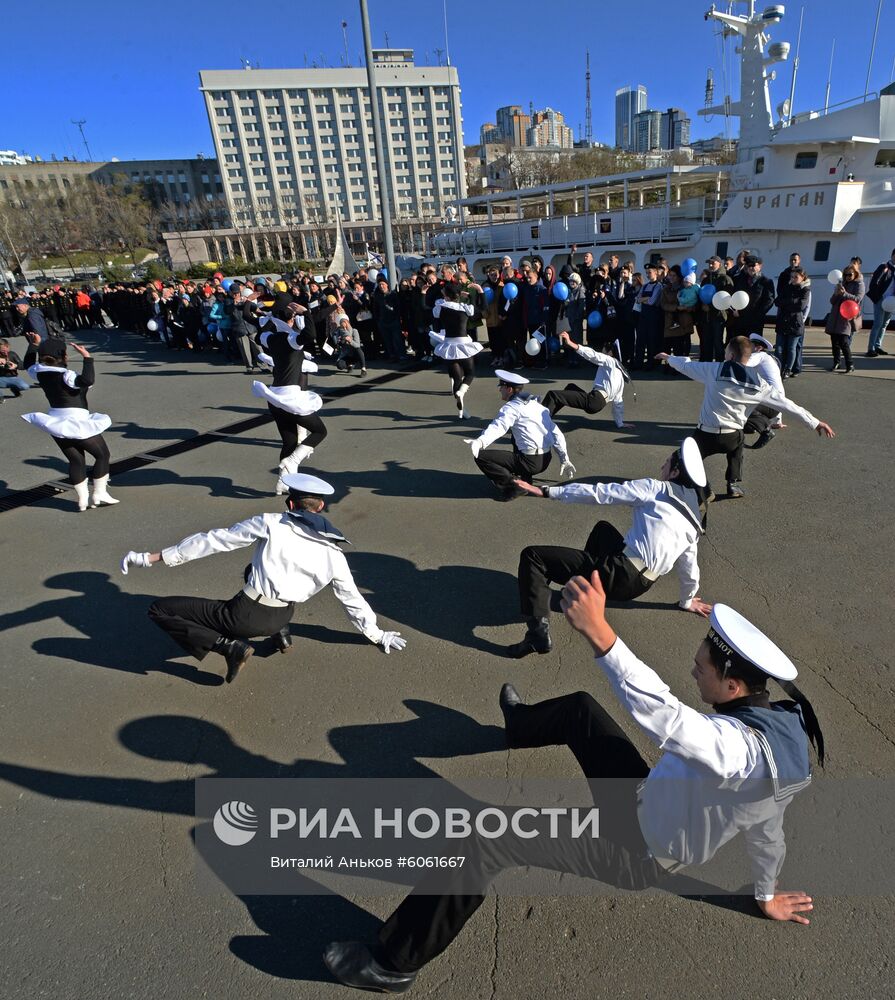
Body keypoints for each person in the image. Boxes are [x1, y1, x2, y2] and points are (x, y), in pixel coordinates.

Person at [324, 583, 823, 993]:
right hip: (645, 797)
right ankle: (520, 725)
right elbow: (767, 825)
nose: (693, 671)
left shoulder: (738, 750)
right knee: (580, 710)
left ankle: (394, 963)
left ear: (733, 686)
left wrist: (601, 633)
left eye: (700, 670)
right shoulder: (776, 723)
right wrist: (765, 892)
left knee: (484, 836)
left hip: (636, 850)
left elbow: (669, 721)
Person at [121, 473, 407, 684]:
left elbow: (216, 540)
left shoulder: (271, 522)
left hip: (244, 616)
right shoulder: (334, 552)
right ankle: (280, 636)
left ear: (289, 503)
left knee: (159, 608)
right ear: (319, 507)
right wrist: (377, 634)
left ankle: (229, 647)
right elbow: (351, 598)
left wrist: (154, 557)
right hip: (284, 614)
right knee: (256, 570)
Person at [506, 437, 712, 656]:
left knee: (533, 556)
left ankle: (536, 633)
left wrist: (547, 491)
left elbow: (601, 493)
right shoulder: (694, 520)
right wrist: (687, 601)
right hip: (640, 585)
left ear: (674, 473)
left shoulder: (656, 488)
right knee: (602, 531)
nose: (662, 466)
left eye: (667, 463)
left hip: (619, 571)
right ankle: (583, 592)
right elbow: (690, 567)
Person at [656, 336, 836, 499]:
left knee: (683, 457)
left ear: (731, 355)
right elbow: (787, 405)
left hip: (705, 434)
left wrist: (669, 358)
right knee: (739, 441)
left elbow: (686, 366)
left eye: (726, 350)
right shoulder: (760, 384)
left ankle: (702, 490)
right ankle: (733, 484)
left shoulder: (714, 369)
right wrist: (815, 422)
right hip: (731, 437)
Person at [20, 343, 117, 512]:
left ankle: (82, 499)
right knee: (102, 455)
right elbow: (87, 380)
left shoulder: (39, 372)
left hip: (56, 422)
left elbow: (27, 365)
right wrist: (87, 357)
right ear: (64, 356)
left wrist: (33, 345)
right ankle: (99, 494)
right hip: (77, 421)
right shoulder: (67, 375)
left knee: (76, 460)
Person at [250, 305, 327, 495]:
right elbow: (309, 335)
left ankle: (283, 483)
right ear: (291, 319)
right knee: (320, 431)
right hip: (289, 396)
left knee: (290, 441)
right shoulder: (291, 339)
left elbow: (261, 335)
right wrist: (306, 312)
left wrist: (270, 319)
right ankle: (293, 462)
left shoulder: (271, 338)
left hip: (273, 396)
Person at [465, 370, 573, 502]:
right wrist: (564, 458)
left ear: (509, 389)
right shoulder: (537, 406)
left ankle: (515, 486)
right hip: (545, 459)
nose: (500, 390)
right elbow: (556, 433)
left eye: (501, 387)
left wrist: (480, 442)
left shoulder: (511, 408)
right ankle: (526, 479)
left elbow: (498, 427)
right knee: (516, 437)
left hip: (529, 461)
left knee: (481, 457)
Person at [542, 331, 632, 429]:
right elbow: (618, 402)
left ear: (610, 353)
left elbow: (593, 355)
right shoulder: (620, 373)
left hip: (594, 400)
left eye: (603, 349)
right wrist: (620, 423)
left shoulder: (609, 360)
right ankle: (548, 416)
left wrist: (571, 344)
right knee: (570, 387)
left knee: (553, 395)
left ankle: (537, 420)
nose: (602, 351)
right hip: (598, 403)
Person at [429, 282, 481, 418]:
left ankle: (462, 411)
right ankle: (462, 393)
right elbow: (474, 309)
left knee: (456, 377)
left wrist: (446, 296)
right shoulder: (464, 307)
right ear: (458, 295)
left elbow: (435, 307)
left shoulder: (441, 307)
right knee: (470, 373)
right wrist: (468, 297)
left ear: (446, 295)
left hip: (449, 344)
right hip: (463, 343)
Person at [743, 334, 785, 450]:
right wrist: (778, 420)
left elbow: (742, 363)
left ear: (758, 348)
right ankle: (751, 426)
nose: (746, 348)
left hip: (772, 403)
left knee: (742, 403)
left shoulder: (759, 356)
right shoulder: (771, 358)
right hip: (776, 403)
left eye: (749, 346)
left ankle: (766, 431)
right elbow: (777, 388)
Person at [825, 264, 864, 374]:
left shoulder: (859, 284)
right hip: (836, 315)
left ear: (855, 274)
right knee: (834, 342)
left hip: (847, 316)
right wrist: (837, 294)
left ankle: (849, 364)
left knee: (844, 342)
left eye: (850, 274)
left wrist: (845, 294)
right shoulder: (841, 284)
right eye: (845, 274)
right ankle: (836, 362)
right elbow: (832, 301)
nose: (847, 276)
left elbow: (858, 299)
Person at [774, 268, 810, 379]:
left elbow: (801, 306)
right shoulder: (786, 288)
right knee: (779, 349)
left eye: (796, 277)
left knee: (791, 348)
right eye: (792, 277)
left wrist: (787, 302)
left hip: (795, 323)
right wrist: (791, 302)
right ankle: (778, 368)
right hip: (783, 321)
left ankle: (788, 369)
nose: (793, 279)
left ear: (802, 277)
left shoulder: (805, 290)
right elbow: (777, 301)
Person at [728, 255, 775, 339]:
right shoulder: (738, 279)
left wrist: (759, 314)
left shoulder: (766, 281)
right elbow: (732, 295)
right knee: (739, 344)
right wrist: (734, 309)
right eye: (749, 266)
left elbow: (769, 300)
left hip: (755, 320)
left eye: (753, 265)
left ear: (760, 266)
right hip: (740, 318)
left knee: (754, 344)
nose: (751, 268)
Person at [699, 256, 734, 362]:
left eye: (713, 263)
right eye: (709, 263)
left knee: (717, 342)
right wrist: (702, 305)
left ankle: (719, 365)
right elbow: (701, 294)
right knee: (706, 342)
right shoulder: (706, 279)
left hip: (719, 316)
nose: (710, 265)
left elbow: (728, 298)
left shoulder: (725, 279)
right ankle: (707, 365)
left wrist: (710, 306)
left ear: (719, 264)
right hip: (706, 317)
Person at [865, 247, 895, 357]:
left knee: (884, 324)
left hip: (891, 301)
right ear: (892, 255)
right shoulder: (884, 267)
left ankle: (878, 346)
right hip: (881, 299)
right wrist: (877, 297)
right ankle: (871, 348)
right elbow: (874, 282)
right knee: (878, 323)